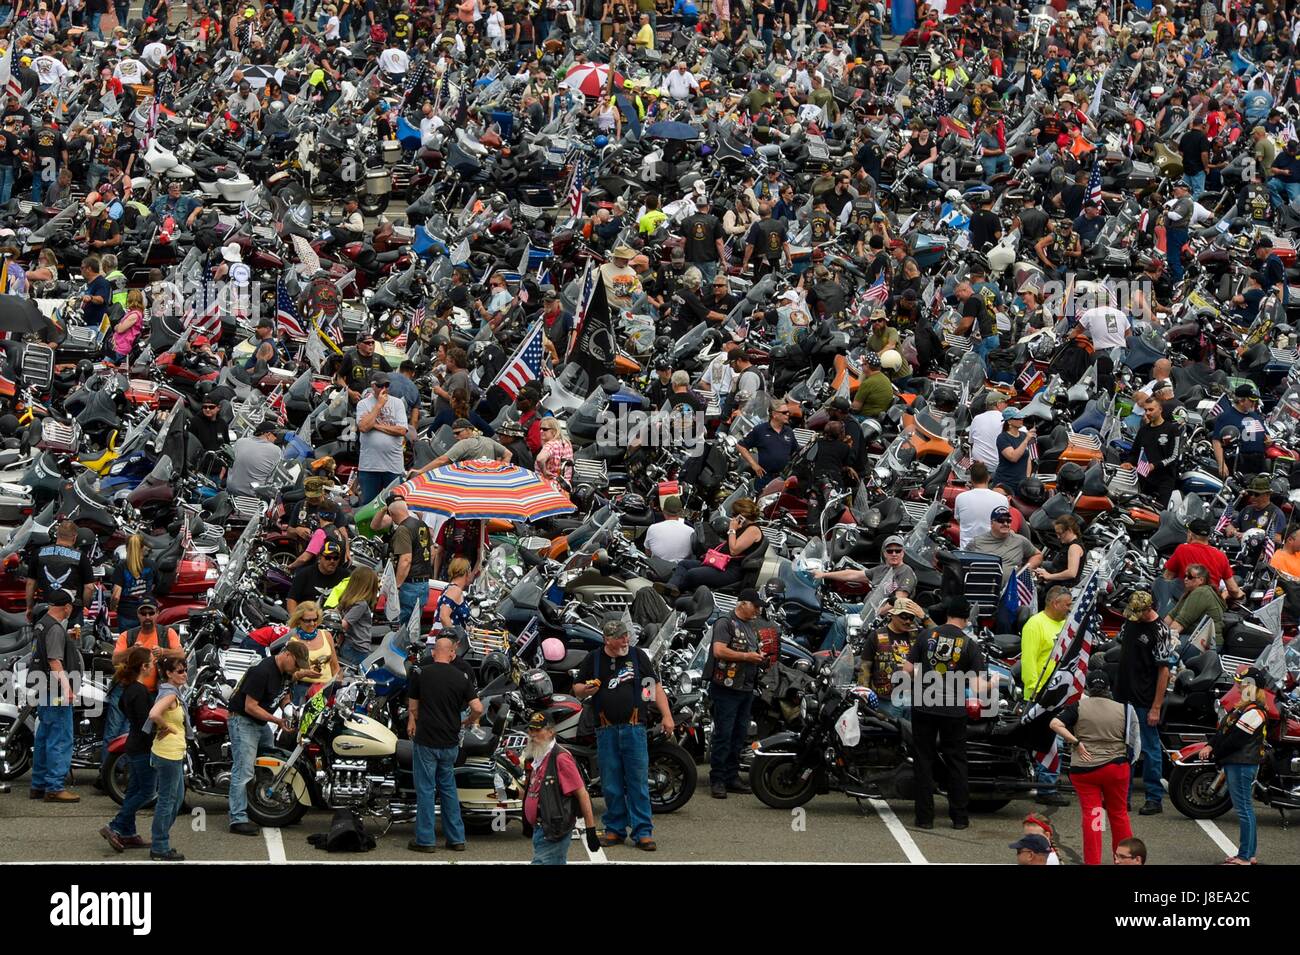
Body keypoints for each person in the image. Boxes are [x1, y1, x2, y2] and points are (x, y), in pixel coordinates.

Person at [573, 617, 673, 851]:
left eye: (626, 635)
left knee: (637, 781)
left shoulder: (638, 656)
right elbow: (577, 689)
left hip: (634, 728)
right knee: (611, 782)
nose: (625, 640)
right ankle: (615, 829)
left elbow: (653, 687)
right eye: (619, 637)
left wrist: (666, 715)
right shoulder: (594, 659)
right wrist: (586, 689)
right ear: (607, 640)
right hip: (605, 730)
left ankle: (643, 832)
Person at [902, 596, 987, 830]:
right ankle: (959, 818)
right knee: (956, 762)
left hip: (924, 706)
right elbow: (978, 687)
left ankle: (924, 818)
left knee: (923, 760)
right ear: (967, 618)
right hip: (953, 710)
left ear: (947, 614)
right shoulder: (969, 644)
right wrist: (993, 683)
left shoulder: (926, 636)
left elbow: (907, 669)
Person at [1049, 670, 1139, 865]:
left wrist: (1076, 742)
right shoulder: (1125, 708)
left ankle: (1093, 861)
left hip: (1085, 769)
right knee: (1119, 814)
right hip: (1116, 768)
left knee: (1093, 817)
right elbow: (1135, 743)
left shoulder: (1078, 707)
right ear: (1109, 687)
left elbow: (1055, 724)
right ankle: (1125, 861)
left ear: (1087, 687)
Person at [226, 641, 311, 836]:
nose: (297, 668)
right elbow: (250, 706)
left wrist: (290, 710)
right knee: (244, 769)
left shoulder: (286, 672)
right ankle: (237, 819)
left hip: (259, 722)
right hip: (243, 721)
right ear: (287, 655)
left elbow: (283, 695)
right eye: (297, 664)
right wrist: (277, 721)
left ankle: (263, 806)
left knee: (269, 762)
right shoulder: (262, 671)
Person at [407, 634, 483, 852]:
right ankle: (456, 838)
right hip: (449, 740)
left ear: (433, 653)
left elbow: (413, 708)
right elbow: (478, 708)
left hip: (426, 739)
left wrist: (418, 718)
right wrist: (466, 721)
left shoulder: (421, 673)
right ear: (451, 653)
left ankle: (425, 840)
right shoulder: (461, 677)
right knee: (448, 789)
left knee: (425, 789)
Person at [1191, 669, 1267, 864]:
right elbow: (1223, 732)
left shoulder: (1255, 712)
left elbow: (1235, 739)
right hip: (1237, 763)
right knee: (1245, 809)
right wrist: (1210, 745)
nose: (1239, 686)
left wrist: (1216, 753)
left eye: (1242, 683)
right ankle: (1248, 854)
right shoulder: (1243, 708)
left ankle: (1245, 856)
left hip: (1242, 764)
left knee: (1244, 809)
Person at [1113, 591, 1175, 817]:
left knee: (1149, 749)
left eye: (1138, 613)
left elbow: (1164, 670)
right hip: (1123, 694)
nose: (1134, 617)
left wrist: (1156, 706)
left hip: (1144, 699)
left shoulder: (1160, 631)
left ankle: (1153, 797)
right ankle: (1123, 796)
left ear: (1149, 609)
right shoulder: (1130, 621)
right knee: (1123, 748)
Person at [706, 588, 767, 799]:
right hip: (726, 688)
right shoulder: (725, 623)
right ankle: (718, 780)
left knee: (739, 735)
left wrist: (759, 656)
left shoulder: (751, 626)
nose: (758, 610)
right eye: (755, 606)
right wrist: (747, 657)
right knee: (723, 734)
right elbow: (719, 651)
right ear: (742, 603)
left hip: (745, 688)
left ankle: (732, 777)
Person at [521, 711, 600, 864]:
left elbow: (582, 794)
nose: (532, 735)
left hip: (553, 831)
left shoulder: (561, 758)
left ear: (551, 732)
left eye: (538, 730)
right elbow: (538, 792)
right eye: (531, 730)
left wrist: (591, 830)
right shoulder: (539, 756)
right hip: (542, 830)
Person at [99, 646, 156, 853]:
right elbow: (145, 723)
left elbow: (126, 711)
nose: (154, 666)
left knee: (133, 790)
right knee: (147, 791)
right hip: (142, 747)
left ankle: (128, 832)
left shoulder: (127, 689)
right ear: (144, 667)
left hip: (131, 744)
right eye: (152, 663)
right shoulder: (140, 691)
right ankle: (115, 825)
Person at [29, 590, 80, 803]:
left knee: (44, 738)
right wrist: (67, 688)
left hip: (43, 689)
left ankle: (38, 785)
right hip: (55, 691)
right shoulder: (56, 629)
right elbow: (54, 661)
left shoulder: (43, 623)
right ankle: (55, 787)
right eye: (71, 606)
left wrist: (67, 638)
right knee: (60, 738)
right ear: (66, 607)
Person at [665, 497, 764, 593]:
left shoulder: (753, 530)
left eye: (734, 514)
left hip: (730, 570)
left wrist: (732, 529)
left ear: (741, 516)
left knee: (693, 574)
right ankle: (671, 587)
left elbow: (734, 550)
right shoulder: (743, 528)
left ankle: (676, 591)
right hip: (720, 563)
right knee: (684, 564)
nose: (732, 517)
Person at [146, 655, 189, 861]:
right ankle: (159, 846)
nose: (184, 674)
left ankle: (160, 840)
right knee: (167, 800)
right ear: (169, 674)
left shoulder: (172, 692)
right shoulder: (170, 695)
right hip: (168, 755)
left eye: (185, 670)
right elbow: (154, 713)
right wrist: (166, 726)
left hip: (173, 753)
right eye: (179, 671)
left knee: (177, 798)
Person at [372, 494, 435, 626]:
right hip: (423, 583)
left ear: (391, 513)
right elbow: (432, 551)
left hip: (409, 584)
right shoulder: (421, 524)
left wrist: (397, 586)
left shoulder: (403, 530)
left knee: (401, 629)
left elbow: (406, 560)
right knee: (414, 626)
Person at [356, 373, 409, 505]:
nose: (384, 388)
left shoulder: (397, 403)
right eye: (380, 386)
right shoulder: (363, 404)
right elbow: (363, 427)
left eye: (387, 385)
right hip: (369, 467)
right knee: (368, 504)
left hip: (393, 466)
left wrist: (374, 424)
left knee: (395, 504)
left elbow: (402, 430)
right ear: (373, 386)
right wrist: (379, 405)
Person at [1163, 517, 1245, 600]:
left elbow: (1167, 577)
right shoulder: (1221, 555)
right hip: (1209, 605)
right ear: (1208, 537)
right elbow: (1233, 589)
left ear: (1190, 534)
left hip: (1185, 602)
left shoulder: (1182, 549)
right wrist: (1242, 595)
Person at [1123, 394, 1182, 500]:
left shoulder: (1172, 430)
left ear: (1160, 410)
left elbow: (1174, 457)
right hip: (1144, 479)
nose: (1148, 413)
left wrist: (1154, 466)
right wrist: (1129, 462)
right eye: (1146, 410)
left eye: (1151, 410)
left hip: (1164, 480)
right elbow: (1134, 453)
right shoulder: (1143, 430)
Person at [970, 505, 1042, 583]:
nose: (1005, 523)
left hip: (1011, 590)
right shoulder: (976, 542)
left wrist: (1025, 570)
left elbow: (1037, 555)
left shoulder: (1020, 541)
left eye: (1008, 521)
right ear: (991, 523)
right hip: (983, 588)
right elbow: (963, 562)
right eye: (1001, 520)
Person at [1165, 563, 1225, 652]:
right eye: (1185, 576)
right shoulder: (1189, 592)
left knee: (1165, 649)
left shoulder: (1201, 592)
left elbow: (1180, 623)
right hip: (1194, 638)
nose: (1185, 579)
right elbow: (1171, 615)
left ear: (1201, 580)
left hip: (1207, 644)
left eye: (1190, 577)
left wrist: (1162, 640)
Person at [1213, 384, 1268, 480]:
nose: (1254, 403)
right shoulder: (1226, 417)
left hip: (1259, 461)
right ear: (1241, 400)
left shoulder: (1255, 415)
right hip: (1240, 462)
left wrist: (1268, 439)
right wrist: (1221, 464)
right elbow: (1217, 441)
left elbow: (1265, 434)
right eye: (1251, 401)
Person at [286, 601, 337, 704]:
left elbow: (335, 665)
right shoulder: (293, 641)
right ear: (299, 620)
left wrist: (336, 687)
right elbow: (289, 676)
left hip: (327, 689)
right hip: (303, 690)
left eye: (315, 619)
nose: (312, 624)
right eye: (307, 621)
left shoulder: (326, 635)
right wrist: (304, 673)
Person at [738, 399, 799, 483]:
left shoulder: (789, 431)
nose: (788, 415)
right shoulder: (760, 430)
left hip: (783, 479)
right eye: (784, 412)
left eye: (788, 412)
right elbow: (741, 446)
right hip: (765, 477)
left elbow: (795, 451)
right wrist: (754, 465)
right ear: (774, 414)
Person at [336, 566, 379, 670]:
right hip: (357, 648)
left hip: (347, 643)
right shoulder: (361, 604)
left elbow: (336, 613)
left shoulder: (347, 600)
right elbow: (344, 625)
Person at [286, 540, 348, 614]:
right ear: (319, 557)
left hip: (334, 620)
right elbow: (292, 599)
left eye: (336, 558)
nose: (332, 561)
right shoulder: (304, 574)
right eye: (328, 558)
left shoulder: (345, 576)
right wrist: (295, 619)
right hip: (308, 619)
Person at [954, 461, 1005, 549]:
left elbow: (959, 520)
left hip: (967, 552)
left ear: (971, 479)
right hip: (993, 552)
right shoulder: (1002, 499)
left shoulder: (960, 497)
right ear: (988, 478)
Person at [225, 420, 282, 498]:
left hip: (231, 491)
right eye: (275, 435)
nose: (276, 438)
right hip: (253, 496)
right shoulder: (275, 450)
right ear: (268, 434)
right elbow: (274, 475)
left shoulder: (240, 442)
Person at [1225, 473, 1286, 544]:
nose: (1252, 497)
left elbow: (1279, 538)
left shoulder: (1276, 514)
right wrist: (1232, 531)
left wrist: (1248, 536)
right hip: (1240, 549)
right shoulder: (1247, 509)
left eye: (1256, 494)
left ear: (1267, 495)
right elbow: (1231, 525)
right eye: (1251, 493)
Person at [993, 407, 1036, 495]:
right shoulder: (1003, 438)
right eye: (1017, 418)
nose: (1021, 420)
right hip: (1006, 483)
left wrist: (1027, 478)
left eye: (1021, 418)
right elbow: (1013, 457)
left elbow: (1028, 458)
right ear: (1009, 421)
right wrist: (1026, 440)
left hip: (1021, 484)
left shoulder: (1024, 435)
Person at [1034, 515, 1084, 587]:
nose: (1058, 536)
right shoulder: (1068, 544)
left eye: (1060, 533)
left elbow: (1071, 573)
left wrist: (1049, 576)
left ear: (1069, 530)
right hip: (1056, 573)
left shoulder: (1074, 547)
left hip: (1063, 586)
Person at [644, 495, 694, 562]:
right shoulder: (691, 531)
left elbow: (648, 553)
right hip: (681, 569)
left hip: (658, 569)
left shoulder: (653, 528)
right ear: (681, 512)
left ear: (663, 511)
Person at [970, 391, 1008, 471]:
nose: (1007, 405)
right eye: (1005, 402)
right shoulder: (1006, 420)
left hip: (979, 467)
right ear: (998, 404)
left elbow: (971, 442)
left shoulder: (977, 418)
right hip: (998, 468)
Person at [436, 557, 472, 632]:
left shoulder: (451, 588)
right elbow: (444, 616)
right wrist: (455, 638)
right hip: (446, 641)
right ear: (467, 572)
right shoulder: (455, 590)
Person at [534, 418, 573, 486]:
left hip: (547, 485)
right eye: (540, 429)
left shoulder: (550, 445)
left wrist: (544, 471)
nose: (541, 431)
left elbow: (540, 459)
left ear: (554, 431)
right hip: (564, 486)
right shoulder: (566, 443)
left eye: (545, 429)